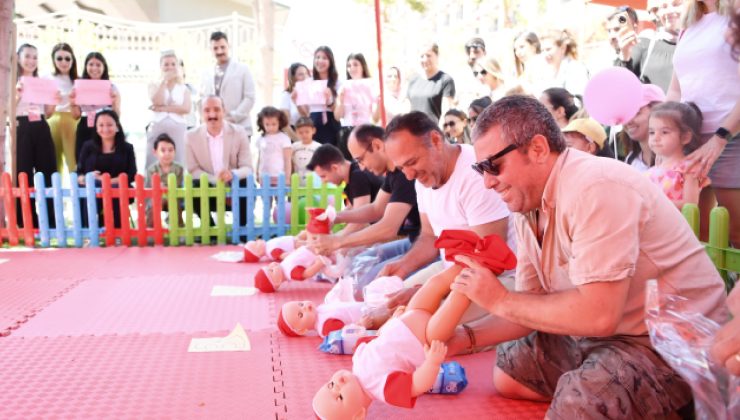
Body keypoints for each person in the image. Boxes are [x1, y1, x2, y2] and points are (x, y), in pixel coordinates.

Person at [444, 95, 726, 418]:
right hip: (609, 335)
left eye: (493, 165)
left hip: (672, 347)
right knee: (511, 371)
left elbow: (599, 315)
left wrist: (499, 299)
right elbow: (531, 301)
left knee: (577, 407)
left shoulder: (596, 187)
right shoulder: (527, 203)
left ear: (537, 149)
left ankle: (668, 403)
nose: (487, 181)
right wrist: (462, 339)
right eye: (481, 168)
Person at [312, 231, 516, 418]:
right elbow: (418, 384)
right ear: (358, 415)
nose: (338, 384)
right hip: (426, 337)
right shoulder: (383, 389)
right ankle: (483, 268)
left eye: (331, 385)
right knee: (457, 297)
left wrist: (393, 319)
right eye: (340, 397)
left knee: (434, 284)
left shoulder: (358, 359)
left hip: (409, 315)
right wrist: (432, 363)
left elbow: (379, 338)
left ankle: (465, 259)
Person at [359, 111, 511, 328]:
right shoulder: (422, 178)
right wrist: (404, 266)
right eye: (402, 167)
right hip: (450, 270)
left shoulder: (475, 174)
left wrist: (429, 292)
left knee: (420, 327)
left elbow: (487, 259)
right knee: (383, 308)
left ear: (436, 141)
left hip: (495, 279)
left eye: (412, 162)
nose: (409, 175)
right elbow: (430, 236)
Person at [309, 124, 422, 292]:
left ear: (377, 145)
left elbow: (388, 228)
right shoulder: (394, 174)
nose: (361, 167)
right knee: (356, 267)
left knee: (363, 284)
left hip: (422, 244)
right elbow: (375, 209)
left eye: (360, 159)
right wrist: (336, 217)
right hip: (413, 241)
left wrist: (338, 241)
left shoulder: (404, 174)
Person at [667, 0, 740, 246]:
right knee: (697, 235)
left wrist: (721, 137)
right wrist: (666, 137)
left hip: (731, 139)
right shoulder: (688, 25)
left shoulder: (735, 14)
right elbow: (676, 90)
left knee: (736, 233)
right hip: (692, 141)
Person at [185, 95, 253, 229]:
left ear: (224, 111)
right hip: (208, 187)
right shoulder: (190, 136)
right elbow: (192, 170)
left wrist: (232, 174)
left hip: (233, 186)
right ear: (200, 113)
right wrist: (214, 179)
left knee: (246, 182)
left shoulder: (239, 132)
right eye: (207, 110)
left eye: (216, 109)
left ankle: (242, 229)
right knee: (195, 184)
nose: (212, 114)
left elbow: (247, 167)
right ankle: (208, 229)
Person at [14, 43, 56, 228]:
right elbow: (7, 111)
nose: (31, 61)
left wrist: (55, 100)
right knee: (23, 173)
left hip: (40, 124)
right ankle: (25, 222)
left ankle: (51, 222)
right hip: (20, 125)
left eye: (35, 57)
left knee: (47, 171)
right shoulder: (11, 81)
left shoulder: (42, 81)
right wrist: (17, 94)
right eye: (27, 56)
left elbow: (48, 112)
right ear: (18, 58)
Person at [306, 143, 384, 236]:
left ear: (335, 168)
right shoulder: (352, 176)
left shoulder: (357, 176)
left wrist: (336, 240)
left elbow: (360, 220)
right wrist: (328, 220)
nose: (323, 182)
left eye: (323, 176)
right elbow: (352, 209)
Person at [77, 110, 137, 228]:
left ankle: (119, 232)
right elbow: (79, 173)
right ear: (96, 127)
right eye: (101, 125)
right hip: (93, 186)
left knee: (116, 189)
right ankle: (89, 233)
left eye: (109, 125)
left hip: (118, 186)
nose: (105, 129)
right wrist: (87, 177)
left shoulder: (127, 148)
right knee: (90, 188)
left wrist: (109, 181)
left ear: (117, 126)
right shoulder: (87, 146)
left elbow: (131, 174)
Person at [647, 101, 707, 208]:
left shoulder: (689, 168)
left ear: (685, 137)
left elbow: (690, 205)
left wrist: (656, 204)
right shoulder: (652, 170)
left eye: (664, 132)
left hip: (675, 224)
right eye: (652, 132)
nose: (655, 138)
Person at [611, 3, 680, 92]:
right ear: (657, 13)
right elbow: (620, 84)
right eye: (664, 7)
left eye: (676, 4)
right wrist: (624, 55)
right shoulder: (645, 42)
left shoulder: (700, 43)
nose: (670, 11)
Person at [200, 31, 256, 137]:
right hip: (213, 130)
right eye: (215, 48)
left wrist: (233, 117)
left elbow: (250, 98)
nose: (220, 51)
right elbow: (201, 99)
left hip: (239, 127)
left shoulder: (243, 69)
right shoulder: (206, 73)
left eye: (222, 47)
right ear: (211, 50)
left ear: (228, 46)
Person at [71, 51, 120, 169]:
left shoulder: (112, 87)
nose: (94, 68)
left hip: (105, 127)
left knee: (105, 161)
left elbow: (117, 116)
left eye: (98, 65)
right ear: (86, 66)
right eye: (91, 64)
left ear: (104, 67)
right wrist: (72, 103)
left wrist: (115, 102)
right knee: (83, 161)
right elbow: (76, 115)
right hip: (85, 126)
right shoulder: (78, 87)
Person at [145, 50, 191, 169]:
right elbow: (157, 101)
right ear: (161, 66)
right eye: (166, 64)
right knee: (153, 160)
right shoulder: (153, 84)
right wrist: (164, 82)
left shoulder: (184, 88)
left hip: (178, 127)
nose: (169, 67)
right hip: (158, 125)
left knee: (178, 158)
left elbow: (185, 108)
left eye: (172, 64)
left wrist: (163, 108)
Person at [46, 42, 79, 173]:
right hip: (52, 119)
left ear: (72, 60)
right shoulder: (46, 78)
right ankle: (55, 192)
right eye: (59, 58)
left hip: (74, 120)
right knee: (54, 160)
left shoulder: (78, 80)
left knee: (74, 160)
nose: (63, 62)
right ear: (53, 60)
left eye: (67, 58)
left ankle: (77, 191)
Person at [335, 53, 375, 160]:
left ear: (363, 66)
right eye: (349, 65)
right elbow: (337, 117)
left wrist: (378, 101)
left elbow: (376, 117)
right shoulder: (343, 87)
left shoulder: (372, 85)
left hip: (365, 131)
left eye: (355, 64)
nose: (352, 68)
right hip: (347, 132)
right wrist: (341, 101)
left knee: (366, 165)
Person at [407, 43, 456, 123]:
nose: (425, 59)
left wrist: (439, 132)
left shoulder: (445, 80)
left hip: (433, 131)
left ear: (437, 56)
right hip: (413, 131)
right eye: (422, 56)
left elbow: (446, 112)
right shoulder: (413, 80)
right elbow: (407, 109)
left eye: (428, 55)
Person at [623, 84, 666, 172]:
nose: (628, 121)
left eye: (636, 112)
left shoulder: (676, 156)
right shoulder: (630, 161)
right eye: (626, 114)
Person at [145, 133, 184, 228]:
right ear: (155, 152)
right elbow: (150, 187)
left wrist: (166, 188)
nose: (167, 154)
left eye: (170, 150)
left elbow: (177, 185)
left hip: (174, 197)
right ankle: (151, 227)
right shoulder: (152, 169)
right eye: (162, 150)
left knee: (172, 199)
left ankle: (178, 227)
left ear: (175, 152)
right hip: (156, 198)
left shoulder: (179, 168)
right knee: (158, 200)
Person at [538, 29, 590, 96]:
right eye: (542, 51)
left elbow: (578, 100)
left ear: (563, 48)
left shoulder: (576, 69)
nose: (545, 54)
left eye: (548, 49)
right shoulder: (544, 72)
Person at [309, 46, 342, 147]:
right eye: (317, 57)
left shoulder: (338, 83)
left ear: (330, 61)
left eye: (324, 58)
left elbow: (338, 112)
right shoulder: (309, 82)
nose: (320, 61)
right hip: (312, 124)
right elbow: (304, 112)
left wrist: (330, 100)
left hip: (331, 124)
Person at [255, 106, 292, 187]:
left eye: (274, 124)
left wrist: (287, 178)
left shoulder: (284, 138)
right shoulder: (261, 138)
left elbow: (287, 159)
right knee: (266, 198)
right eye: (267, 124)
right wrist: (257, 172)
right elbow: (259, 157)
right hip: (264, 175)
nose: (270, 127)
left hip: (279, 175)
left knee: (280, 198)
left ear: (280, 122)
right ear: (262, 123)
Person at [279, 62, 311, 139]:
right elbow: (284, 124)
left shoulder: (312, 94)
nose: (305, 77)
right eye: (300, 74)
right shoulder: (286, 95)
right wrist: (298, 141)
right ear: (293, 78)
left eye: (306, 73)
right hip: (293, 137)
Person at [291, 117, 321, 186]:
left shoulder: (318, 147)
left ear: (313, 130)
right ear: (296, 132)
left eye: (307, 132)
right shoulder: (293, 147)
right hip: (297, 182)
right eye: (300, 132)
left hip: (313, 182)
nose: (304, 135)